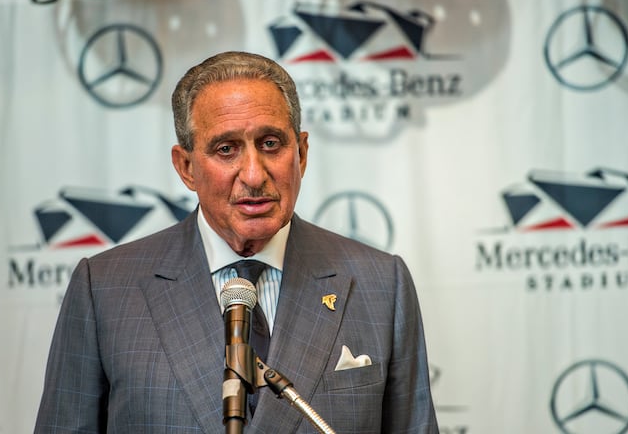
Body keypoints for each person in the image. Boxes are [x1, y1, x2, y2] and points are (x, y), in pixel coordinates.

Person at [34, 51, 439, 433]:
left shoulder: (380, 283)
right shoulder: (104, 287)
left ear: (300, 153)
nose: (253, 174)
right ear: (186, 167)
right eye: (226, 149)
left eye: (270, 144)